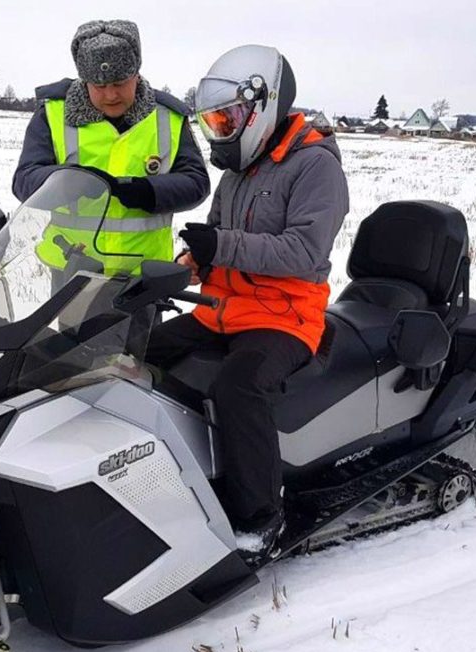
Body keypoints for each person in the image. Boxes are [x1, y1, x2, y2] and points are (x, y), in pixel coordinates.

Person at [146, 45, 350, 563]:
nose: (221, 130)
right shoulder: (239, 170)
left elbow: (303, 252)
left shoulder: (315, 167)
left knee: (238, 386)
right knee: (139, 349)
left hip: (286, 315)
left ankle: (261, 518)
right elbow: (218, 237)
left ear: (263, 107)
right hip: (223, 308)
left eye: (228, 119)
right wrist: (193, 261)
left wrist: (222, 247)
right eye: (214, 122)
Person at [12, 19, 209, 275]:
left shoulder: (168, 117)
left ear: (136, 74)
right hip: (72, 270)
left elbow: (196, 183)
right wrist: (68, 183)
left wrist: (148, 191)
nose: (110, 95)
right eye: (100, 86)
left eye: (119, 83)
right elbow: (24, 180)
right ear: (84, 81)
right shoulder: (51, 114)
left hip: (145, 274)